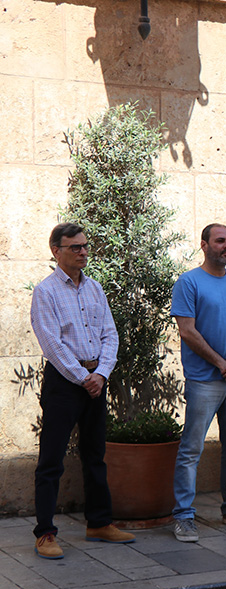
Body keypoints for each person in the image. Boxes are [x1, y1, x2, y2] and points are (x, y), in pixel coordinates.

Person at [30, 223, 134, 559]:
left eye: (85, 246)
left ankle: (99, 523)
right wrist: (82, 377)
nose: (83, 252)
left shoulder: (95, 289)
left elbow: (110, 335)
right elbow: (51, 342)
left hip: (95, 381)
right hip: (65, 382)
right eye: (75, 247)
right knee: (51, 460)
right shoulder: (45, 291)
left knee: (95, 455)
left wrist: (101, 373)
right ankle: (45, 533)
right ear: (55, 251)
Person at [170, 223, 226, 542]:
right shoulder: (188, 282)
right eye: (220, 240)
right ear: (204, 245)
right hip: (204, 381)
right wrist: (221, 363)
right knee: (191, 448)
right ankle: (183, 516)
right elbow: (187, 331)